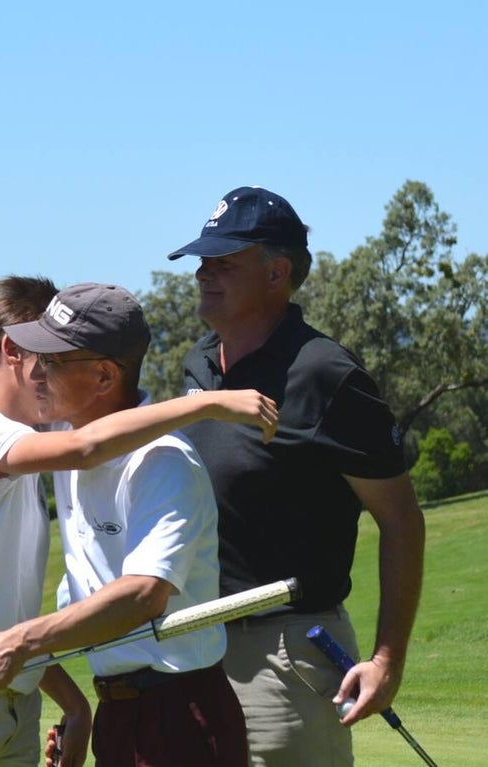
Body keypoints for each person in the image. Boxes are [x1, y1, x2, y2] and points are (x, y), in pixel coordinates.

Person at [0, 281, 277, 767]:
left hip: (177, 712)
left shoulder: (161, 462)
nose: (38, 372)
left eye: (54, 360)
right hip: (98, 708)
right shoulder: (57, 434)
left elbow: (144, 595)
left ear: (104, 377)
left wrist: (31, 652)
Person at [165, 186, 427, 766]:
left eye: (223, 261)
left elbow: (401, 518)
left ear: (277, 273)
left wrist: (387, 660)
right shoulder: (199, 363)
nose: (203, 272)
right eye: (203, 260)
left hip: (283, 658)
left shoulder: (326, 374)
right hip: (193, 652)